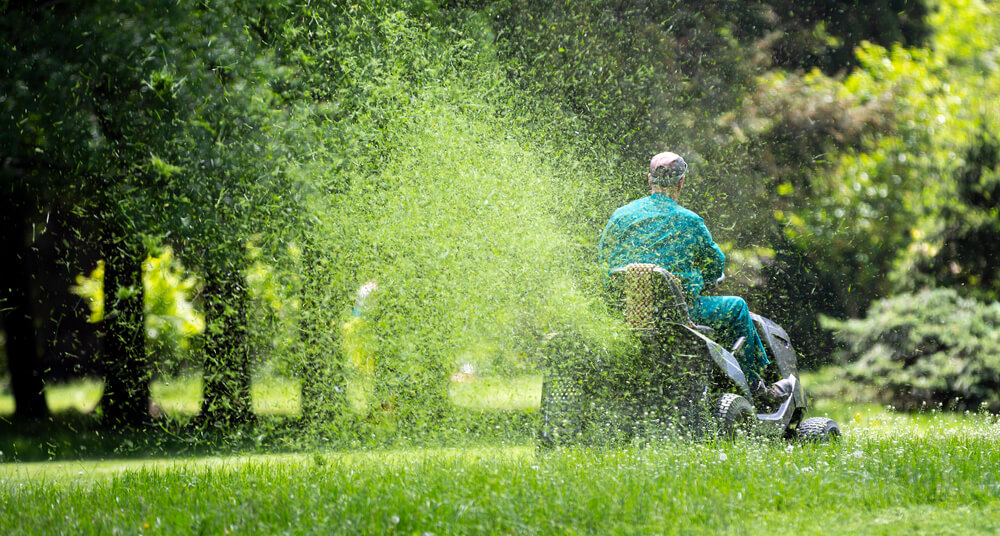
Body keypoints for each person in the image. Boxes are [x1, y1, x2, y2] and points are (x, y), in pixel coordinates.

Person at [598, 151, 783, 404]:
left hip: (626, 313)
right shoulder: (690, 221)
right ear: (681, 182)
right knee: (738, 308)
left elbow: (603, 262)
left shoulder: (620, 216)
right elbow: (715, 264)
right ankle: (754, 387)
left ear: (649, 179)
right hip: (680, 315)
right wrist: (704, 277)